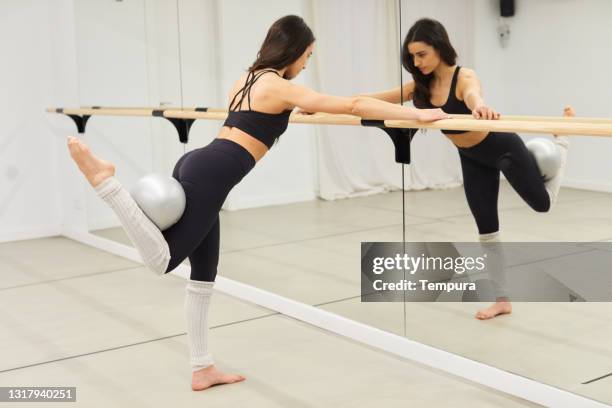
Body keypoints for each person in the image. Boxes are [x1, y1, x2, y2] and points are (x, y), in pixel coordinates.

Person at [66, 15, 448, 391]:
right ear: (295, 51)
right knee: (162, 260)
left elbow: (297, 110)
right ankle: (107, 184)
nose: (306, 64)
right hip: (214, 172)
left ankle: (202, 368)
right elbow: (354, 105)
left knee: (203, 277)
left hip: (202, 161)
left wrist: (386, 99)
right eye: (307, 57)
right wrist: (414, 114)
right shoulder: (279, 86)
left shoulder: (250, 79)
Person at [363, 18, 571, 320]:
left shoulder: (464, 77)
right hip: (472, 157)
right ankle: (502, 300)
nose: (416, 62)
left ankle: (561, 143)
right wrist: (327, 106)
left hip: (503, 150)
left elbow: (474, 96)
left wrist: (479, 108)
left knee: (543, 204)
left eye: (422, 54)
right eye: (412, 57)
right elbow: (372, 100)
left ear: (439, 47)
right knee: (487, 231)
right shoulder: (420, 86)